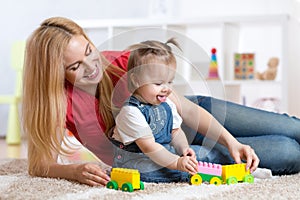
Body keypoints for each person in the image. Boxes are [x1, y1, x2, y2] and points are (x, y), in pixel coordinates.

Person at [22, 17, 299, 187]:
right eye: (75, 66)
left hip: (187, 115)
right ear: (54, 75)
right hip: (167, 154)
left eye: (89, 51)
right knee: (288, 152)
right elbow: (40, 165)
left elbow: (186, 110)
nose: (92, 67)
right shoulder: (58, 103)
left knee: (291, 128)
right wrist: (73, 170)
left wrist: (230, 141)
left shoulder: (121, 63)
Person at [110, 38, 198, 182]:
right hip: (135, 159)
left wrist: (184, 149)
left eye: (170, 82)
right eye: (158, 83)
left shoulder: (167, 104)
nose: (167, 88)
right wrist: (177, 163)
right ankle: (186, 171)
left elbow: (175, 132)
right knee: (155, 171)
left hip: (163, 152)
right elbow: (149, 147)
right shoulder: (130, 112)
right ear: (136, 80)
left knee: (199, 154)